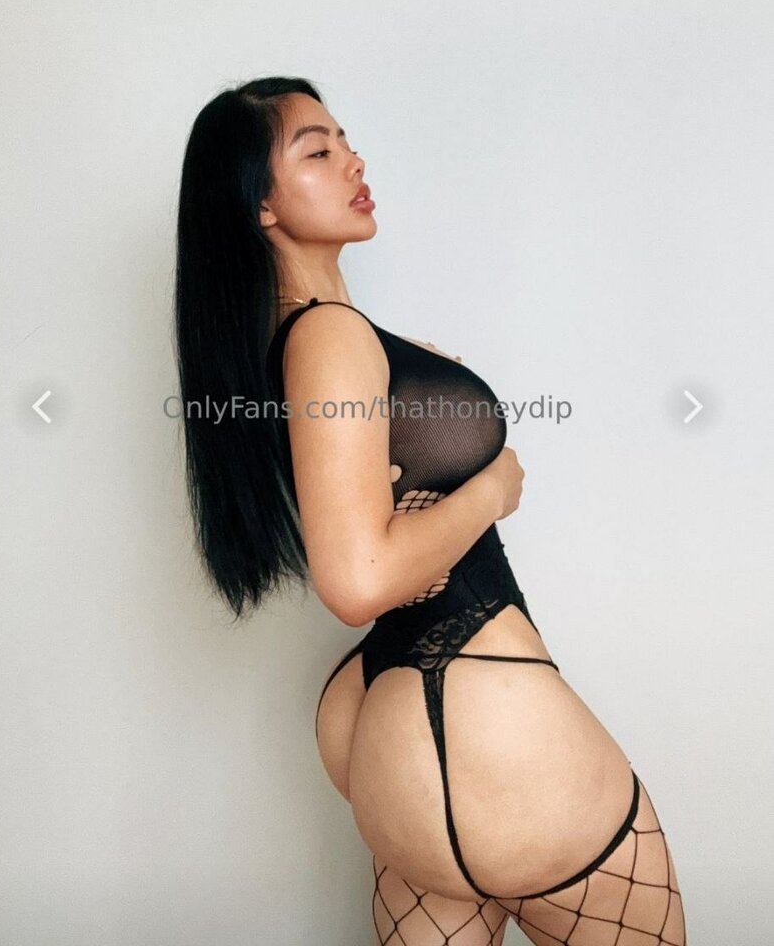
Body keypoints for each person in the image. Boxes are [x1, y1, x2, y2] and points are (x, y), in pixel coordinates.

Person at [174, 76, 688, 945]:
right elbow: (357, 580)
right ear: (260, 204)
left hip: (395, 731)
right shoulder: (328, 337)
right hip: (481, 713)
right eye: (317, 150)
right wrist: (491, 489)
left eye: (346, 139)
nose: (353, 160)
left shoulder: (301, 340)